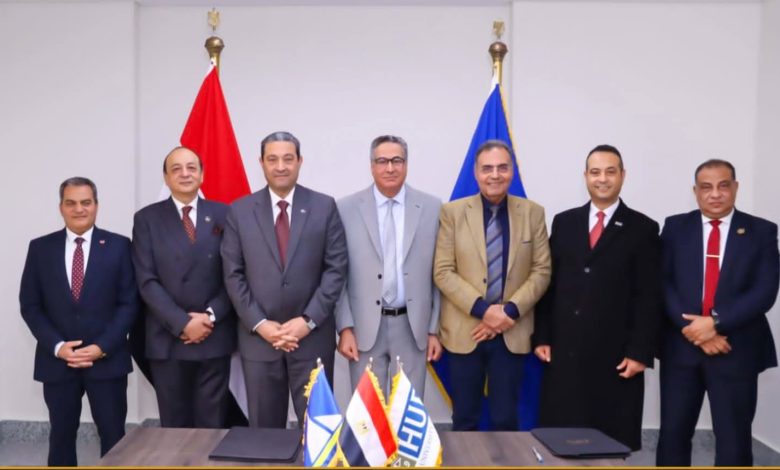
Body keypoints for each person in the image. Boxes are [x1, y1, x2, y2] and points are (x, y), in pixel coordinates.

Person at [532, 144, 662, 450]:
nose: (602, 179)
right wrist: (542, 336)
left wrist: (640, 352)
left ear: (622, 175)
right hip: (565, 352)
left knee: (609, 444)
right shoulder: (565, 222)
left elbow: (649, 297)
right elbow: (549, 285)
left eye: (610, 172)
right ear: (586, 176)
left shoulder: (643, 228)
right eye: (595, 172)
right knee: (563, 441)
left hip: (616, 357)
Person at [656, 159, 779, 467]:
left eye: (723, 186)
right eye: (706, 187)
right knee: (672, 437)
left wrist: (716, 323)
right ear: (695, 191)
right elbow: (662, 283)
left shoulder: (761, 231)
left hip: (735, 349)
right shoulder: (675, 228)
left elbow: (764, 291)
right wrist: (696, 332)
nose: (715, 194)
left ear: (735, 187)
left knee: (734, 442)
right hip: (681, 349)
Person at [221, 131, 348, 428]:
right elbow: (233, 274)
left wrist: (308, 321)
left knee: (318, 431)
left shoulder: (324, 206)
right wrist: (261, 324)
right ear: (261, 163)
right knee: (265, 434)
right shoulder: (240, 210)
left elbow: (336, 269)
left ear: (300, 161)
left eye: (288, 159)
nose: (281, 166)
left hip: (312, 339)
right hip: (259, 341)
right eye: (273, 159)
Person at [19, 177, 139, 466]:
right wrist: (58, 346)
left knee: (114, 438)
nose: (79, 209)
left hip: (107, 361)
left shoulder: (120, 246)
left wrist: (102, 347)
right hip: (58, 362)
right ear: (61, 207)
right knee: (61, 437)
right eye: (70, 203)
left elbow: (129, 304)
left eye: (86, 202)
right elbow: (31, 306)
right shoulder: (40, 248)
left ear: (96, 205)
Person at [433, 139, 551, 430]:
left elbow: (541, 271)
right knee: (465, 419)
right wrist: (485, 311)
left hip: (512, 331)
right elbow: (443, 271)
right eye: (487, 168)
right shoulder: (452, 213)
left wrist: (507, 312)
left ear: (512, 171)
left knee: (505, 419)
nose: (495, 175)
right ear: (476, 173)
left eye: (502, 168)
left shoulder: (533, 213)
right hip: (465, 331)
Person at [131, 147, 237, 428]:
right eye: (176, 169)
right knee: (174, 428)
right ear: (166, 178)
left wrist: (210, 316)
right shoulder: (146, 219)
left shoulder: (225, 214)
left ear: (202, 175)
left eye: (191, 167)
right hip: (168, 338)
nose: (185, 174)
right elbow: (146, 280)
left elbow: (234, 274)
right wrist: (182, 323)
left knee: (212, 425)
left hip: (213, 334)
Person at [335, 135, 442, 396]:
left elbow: (439, 274)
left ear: (406, 164)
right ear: (371, 166)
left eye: (397, 160)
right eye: (382, 161)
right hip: (363, 328)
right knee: (367, 412)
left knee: (408, 409)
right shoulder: (346, 208)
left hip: (412, 327)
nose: (390, 168)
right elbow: (337, 273)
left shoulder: (432, 207)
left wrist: (434, 330)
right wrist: (345, 327)